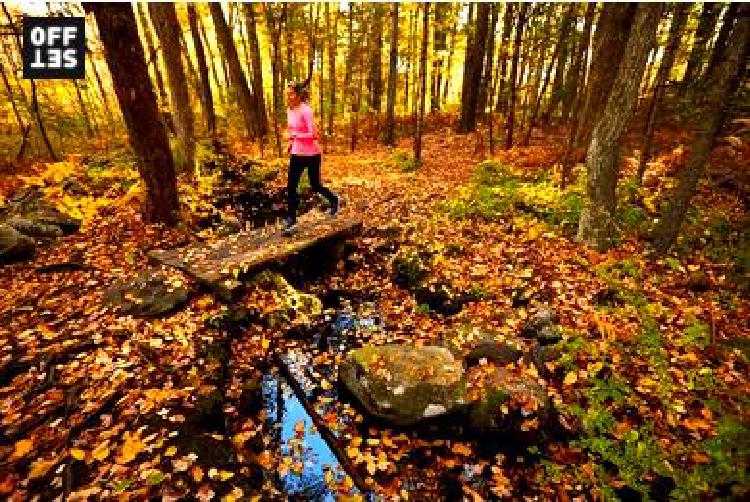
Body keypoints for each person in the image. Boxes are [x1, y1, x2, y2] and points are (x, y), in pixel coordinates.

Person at [283, 80, 339, 232]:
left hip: (312, 154)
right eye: (287, 93)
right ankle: (291, 218)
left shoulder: (306, 110)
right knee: (291, 186)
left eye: (291, 93)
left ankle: (334, 200)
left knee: (315, 185)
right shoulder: (289, 110)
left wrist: (296, 135)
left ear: (299, 94)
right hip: (296, 153)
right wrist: (290, 142)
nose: (288, 96)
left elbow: (313, 134)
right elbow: (292, 130)